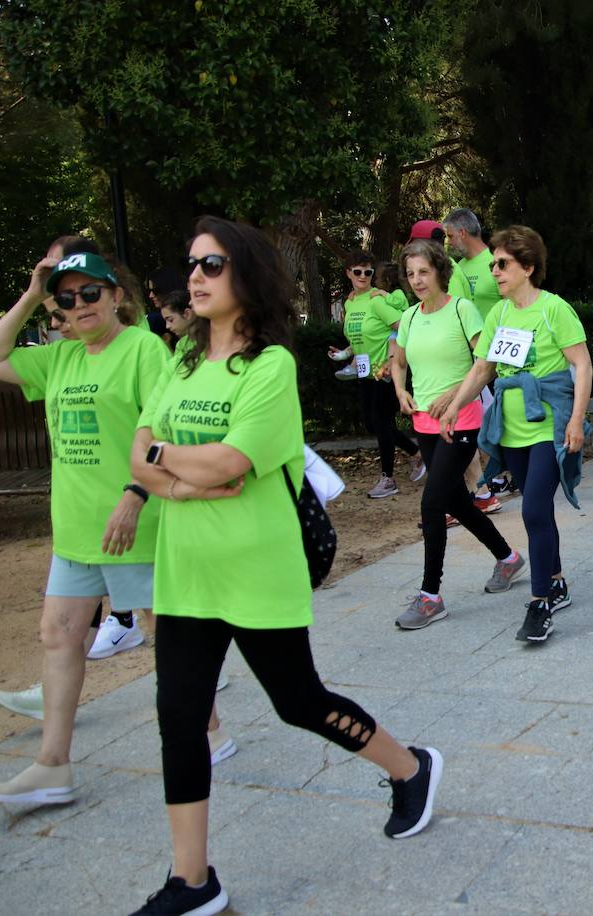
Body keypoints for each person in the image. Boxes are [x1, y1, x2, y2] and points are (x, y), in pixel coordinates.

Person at [129, 216, 443, 915]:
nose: (196, 277)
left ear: (246, 275)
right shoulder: (180, 361)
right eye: (191, 265)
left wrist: (176, 467)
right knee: (179, 717)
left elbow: (231, 462)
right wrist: (181, 479)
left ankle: (411, 767)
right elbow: (142, 449)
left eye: (211, 265)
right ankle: (193, 882)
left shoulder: (270, 366)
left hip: (256, 568)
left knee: (299, 702)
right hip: (185, 570)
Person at [0, 248, 172, 806]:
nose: (78, 306)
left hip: (136, 523)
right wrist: (32, 295)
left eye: (89, 293)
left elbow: (162, 431)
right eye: (66, 298)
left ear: (116, 296)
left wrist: (133, 498)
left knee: (165, 638)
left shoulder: (143, 349)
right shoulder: (58, 358)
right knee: (58, 636)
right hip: (76, 530)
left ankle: (209, 732)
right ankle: (52, 766)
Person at [441, 226, 591, 644]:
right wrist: (454, 407)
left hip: (548, 427)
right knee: (537, 509)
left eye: (502, 264)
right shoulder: (499, 313)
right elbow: (483, 368)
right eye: (492, 264)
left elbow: (582, 365)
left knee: (532, 512)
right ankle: (557, 580)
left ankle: (540, 602)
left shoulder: (553, 309)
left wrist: (576, 420)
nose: (495, 271)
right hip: (512, 431)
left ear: (528, 266)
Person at [385, 239, 525, 629]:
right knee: (457, 502)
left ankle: (430, 596)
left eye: (423, 272)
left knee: (432, 504)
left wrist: (454, 395)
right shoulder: (410, 317)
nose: (416, 280)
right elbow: (398, 360)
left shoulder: (462, 310)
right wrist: (400, 390)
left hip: (462, 421)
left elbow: (487, 363)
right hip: (424, 424)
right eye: (410, 274)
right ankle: (508, 558)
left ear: (440, 272)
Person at [329, 250, 422, 498]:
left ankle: (388, 478)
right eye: (357, 271)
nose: (363, 276)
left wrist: (393, 359)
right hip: (364, 370)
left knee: (381, 421)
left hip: (385, 372)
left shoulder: (377, 300)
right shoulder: (349, 302)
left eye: (368, 272)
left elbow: (403, 328)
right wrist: (344, 353)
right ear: (348, 273)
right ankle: (416, 454)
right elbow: (358, 337)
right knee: (371, 422)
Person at [444, 208, 504, 513]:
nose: (449, 242)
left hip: (495, 358)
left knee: (489, 421)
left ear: (463, 233)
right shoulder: (457, 268)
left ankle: (491, 482)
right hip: (471, 358)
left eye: (451, 236)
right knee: (478, 423)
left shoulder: (493, 262)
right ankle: (486, 485)